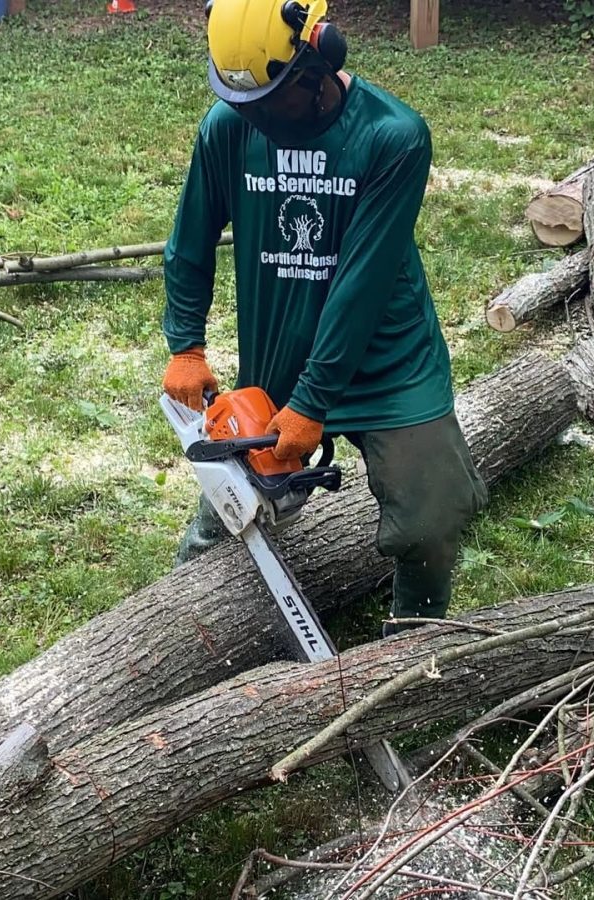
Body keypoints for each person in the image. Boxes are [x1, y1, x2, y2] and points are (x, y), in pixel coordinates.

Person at [161, 0, 488, 634]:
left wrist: (313, 401)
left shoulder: (392, 136)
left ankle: (411, 648)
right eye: (244, 102)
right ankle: (178, 628)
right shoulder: (229, 128)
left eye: (270, 101)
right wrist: (186, 345)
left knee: (433, 514)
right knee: (228, 516)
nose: (256, 117)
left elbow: (360, 286)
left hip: (389, 362)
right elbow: (189, 242)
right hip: (281, 355)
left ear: (319, 58)